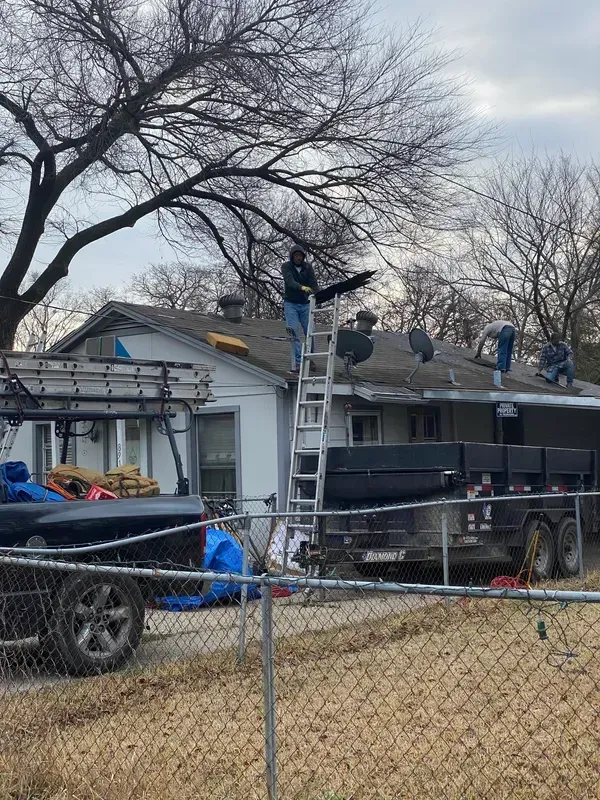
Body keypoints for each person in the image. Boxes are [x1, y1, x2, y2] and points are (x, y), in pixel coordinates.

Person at [281, 244, 318, 372]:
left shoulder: (308, 267)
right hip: (291, 303)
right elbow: (289, 281)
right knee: (293, 331)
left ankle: (309, 358)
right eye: (296, 256)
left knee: (310, 331)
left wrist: (316, 296)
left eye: (300, 256)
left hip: (305, 304)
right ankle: (297, 362)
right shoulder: (286, 267)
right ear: (292, 257)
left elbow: (314, 284)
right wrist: (301, 287)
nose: (298, 258)